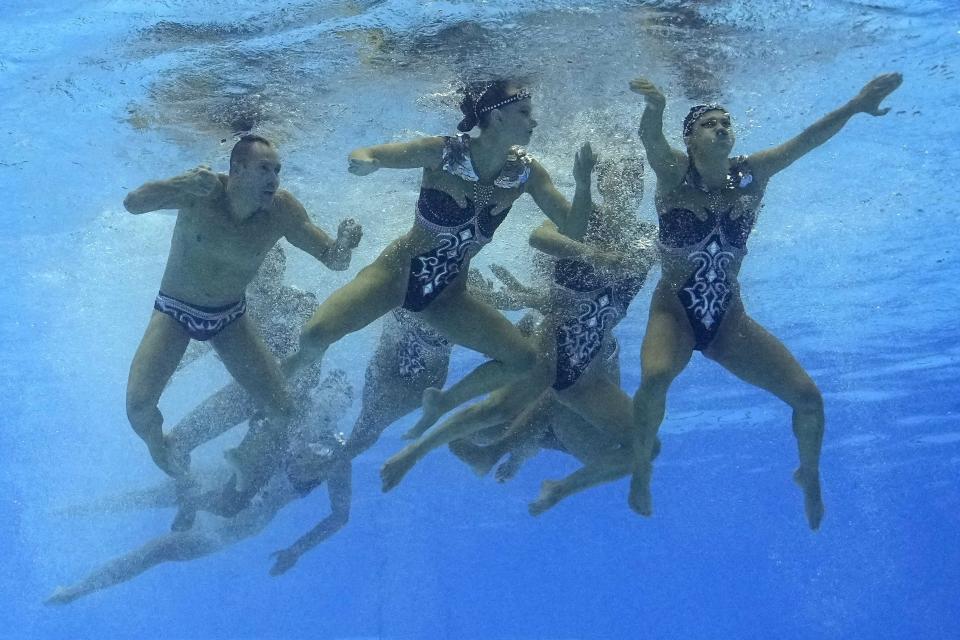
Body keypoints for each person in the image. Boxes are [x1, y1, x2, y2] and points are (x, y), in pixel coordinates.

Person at [625, 73, 903, 529]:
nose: (721, 128)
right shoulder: (675, 174)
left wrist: (855, 104)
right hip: (674, 312)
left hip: (728, 320)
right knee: (655, 378)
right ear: (691, 140)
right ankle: (640, 467)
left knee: (809, 400)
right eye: (709, 124)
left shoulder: (752, 174)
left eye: (725, 122)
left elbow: (807, 140)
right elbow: (651, 142)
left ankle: (808, 474)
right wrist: (654, 109)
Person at [281, 81, 592, 411]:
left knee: (523, 359)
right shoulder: (445, 152)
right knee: (314, 336)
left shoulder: (526, 174)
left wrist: (583, 184)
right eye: (525, 112)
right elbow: (372, 153)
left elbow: (573, 229)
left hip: (447, 297)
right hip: (395, 276)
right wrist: (366, 163)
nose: (534, 121)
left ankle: (444, 402)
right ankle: (288, 376)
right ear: (498, 118)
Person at [379, 152, 660, 492]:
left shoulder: (647, 238)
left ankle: (558, 488)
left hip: (589, 366)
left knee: (646, 445)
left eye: (636, 178)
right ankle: (414, 452)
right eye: (620, 175)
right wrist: (592, 252)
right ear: (603, 183)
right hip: (553, 347)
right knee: (496, 410)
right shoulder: (583, 219)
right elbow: (540, 236)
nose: (629, 184)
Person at [122, 134, 362, 478]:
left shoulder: (283, 211)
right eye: (265, 169)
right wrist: (178, 182)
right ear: (237, 169)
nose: (274, 179)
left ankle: (246, 462)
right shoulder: (200, 191)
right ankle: (159, 445)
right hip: (174, 310)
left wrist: (345, 243)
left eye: (277, 170)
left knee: (284, 411)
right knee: (138, 409)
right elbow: (133, 204)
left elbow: (334, 261)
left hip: (230, 318)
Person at [45, 373, 355, 605]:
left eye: (334, 412)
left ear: (340, 415)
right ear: (313, 397)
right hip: (221, 480)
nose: (324, 416)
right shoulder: (284, 407)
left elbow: (340, 515)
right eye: (323, 405)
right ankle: (75, 510)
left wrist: (297, 549)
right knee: (151, 497)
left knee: (162, 548)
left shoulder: (336, 455)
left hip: (243, 519)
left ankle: (78, 590)